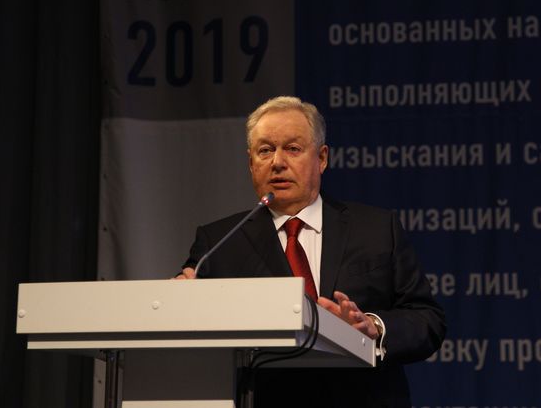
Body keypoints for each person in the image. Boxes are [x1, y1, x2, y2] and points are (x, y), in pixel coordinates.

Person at [176, 96, 445, 407]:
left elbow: (427, 319)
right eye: (265, 150)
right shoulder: (220, 242)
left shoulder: (376, 229)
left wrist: (372, 326)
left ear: (322, 158)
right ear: (251, 163)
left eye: (292, 148)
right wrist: (180, 301)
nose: (277, 162)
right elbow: (187, 314)